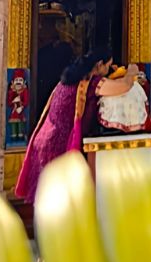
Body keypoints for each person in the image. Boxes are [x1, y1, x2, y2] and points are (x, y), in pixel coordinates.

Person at [15, 49, 112, 204]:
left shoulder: (68, 79)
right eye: (108, 66)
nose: (108, 70)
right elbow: (123, 87)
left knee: (48, 199)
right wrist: (130, 73)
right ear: (100, 65)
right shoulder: (91, 82)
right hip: (58, 144)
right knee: (61, 200)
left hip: (44, 140)